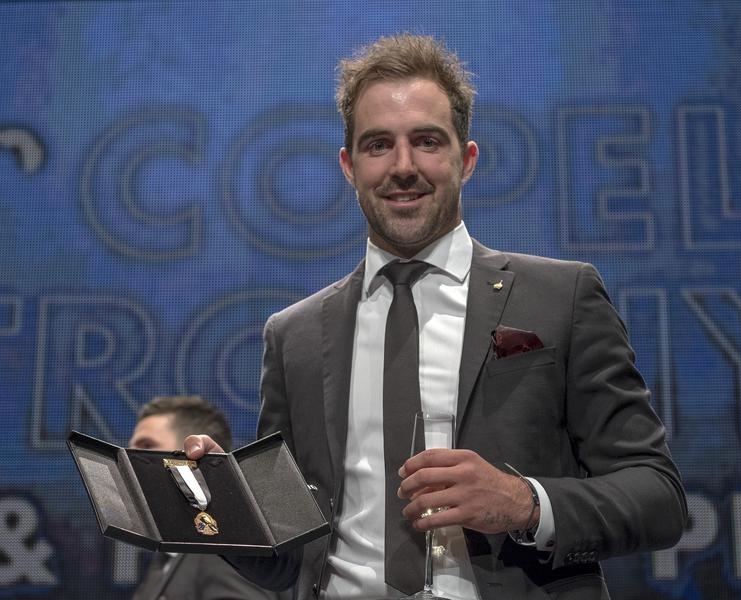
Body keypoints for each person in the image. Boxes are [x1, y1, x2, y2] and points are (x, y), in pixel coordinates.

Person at [185, 34, 687, 599]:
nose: (403, 167)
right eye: (378, 145)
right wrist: (224, 510)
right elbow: (291, 561)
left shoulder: (560, 297)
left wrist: (525, 501)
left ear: (466, 159)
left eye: (426, 141)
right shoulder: (294, 335)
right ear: (349, 166)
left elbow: (658, 496)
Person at [129, 395, 291, 600]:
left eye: (146, 446)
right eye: (130, 449)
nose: (130, 458)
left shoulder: (225, 552)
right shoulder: (167, 557)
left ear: (192, 454)